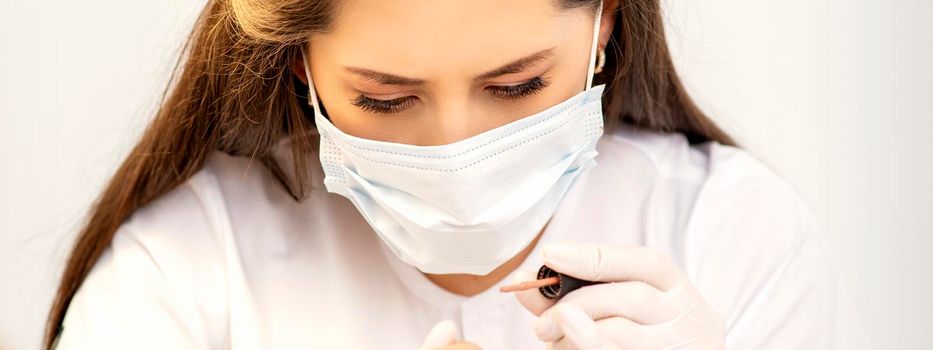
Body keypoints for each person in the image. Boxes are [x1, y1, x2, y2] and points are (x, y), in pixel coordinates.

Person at [45, 0, 834, 349]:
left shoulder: (731, 231)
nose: (456, 151)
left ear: (605, 26)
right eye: (385, 100)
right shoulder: (184, 269)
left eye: (517, 86)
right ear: (299, 69)